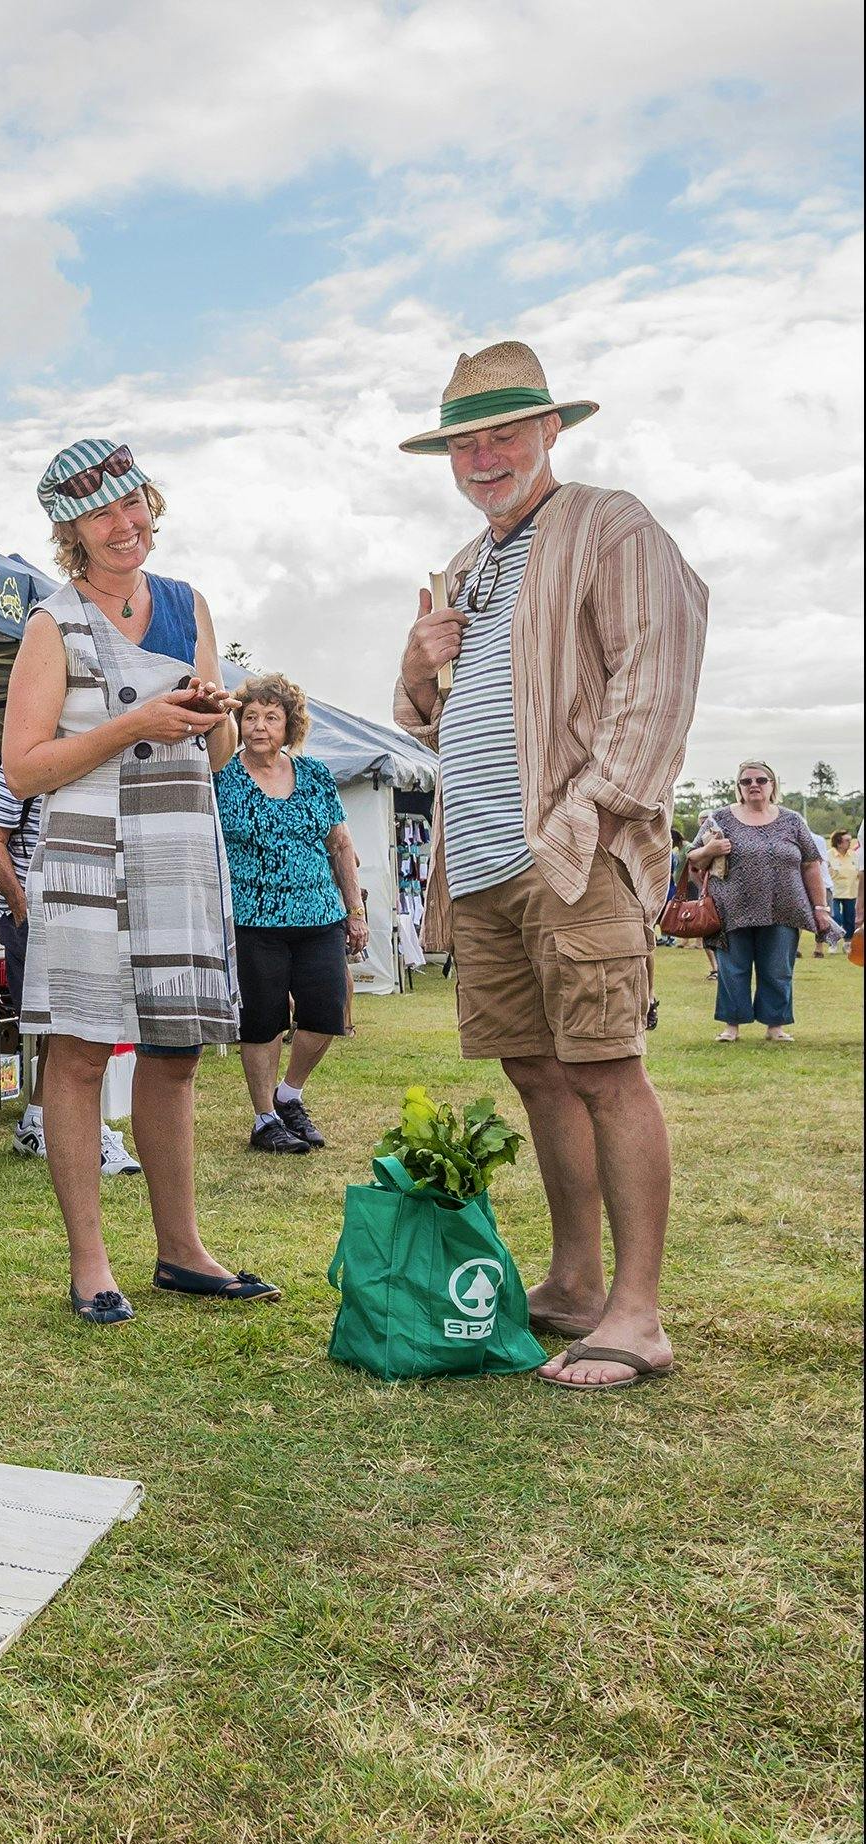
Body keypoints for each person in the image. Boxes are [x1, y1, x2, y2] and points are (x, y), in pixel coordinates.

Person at [393, 340, 707, 1389]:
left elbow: (656, 669)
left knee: (607, 1068)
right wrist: (418, 667)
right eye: (463, 443)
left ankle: (639, 1315)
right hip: (480, 859)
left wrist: (593, 812)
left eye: (502, 434)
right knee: (534, 1068)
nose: (482, 457)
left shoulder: (609, 525)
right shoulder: (464, 566)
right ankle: (575, 1283)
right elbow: (430, 721)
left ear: (549, 430)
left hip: (571, 849)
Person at [1, 439, 269, 1327]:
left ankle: (180, 1249)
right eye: (102, 514)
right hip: (87, 854)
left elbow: (215, 756)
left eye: (133, 504)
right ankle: (90, 1263)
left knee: (175, 1051)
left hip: (177, 849)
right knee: (80, 1050)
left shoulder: (187, 604)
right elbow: (23, 768)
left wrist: (212, 714)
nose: (125, 525)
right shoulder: (51, 623)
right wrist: (133, 724)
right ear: (70, 531)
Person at [213, 673, 368, 1154]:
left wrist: (355, 910)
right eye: (250, 716)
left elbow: (340, 844)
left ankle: (289, 1095)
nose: (259, 726)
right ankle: (264, 1119)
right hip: (253, 919)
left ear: (290, 724)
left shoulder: (316, 774)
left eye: (271, 717)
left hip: (320, 915)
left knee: (326, 1013)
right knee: (263, 1020)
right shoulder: (221, 775)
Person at [0, 772, 139, 1176]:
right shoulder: (23, 763)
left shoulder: (98, 757)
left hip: (87, 910)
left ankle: (36, 1120)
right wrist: (21, 905)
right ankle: (87, 1133)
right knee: (77, 1027)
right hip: (36, 915)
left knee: (66, 1027)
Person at [689, 762, 830, 1041]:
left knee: (778, 969)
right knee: (732, 969)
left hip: (784, 908)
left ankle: (775, 1026)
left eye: (761, 780)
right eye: (747, 781)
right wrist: (711, 849)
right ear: (739, 787)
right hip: (731, 908)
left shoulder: (792, 820)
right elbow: (693, 858)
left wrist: (820, 907)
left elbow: (811, 864)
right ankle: (731, 1026)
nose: (754, 785)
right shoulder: (720, 818)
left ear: (772, 784)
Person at [821, 828, 857, 947]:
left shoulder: (853, 855)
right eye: (847, 840)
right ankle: (833, 943)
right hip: (834, 892)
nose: (849, 842)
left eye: (850, 840)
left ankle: (848, 942)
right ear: (838, 842)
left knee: (850, 919)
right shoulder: (828, 855)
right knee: (835, 917)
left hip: (850, 892)